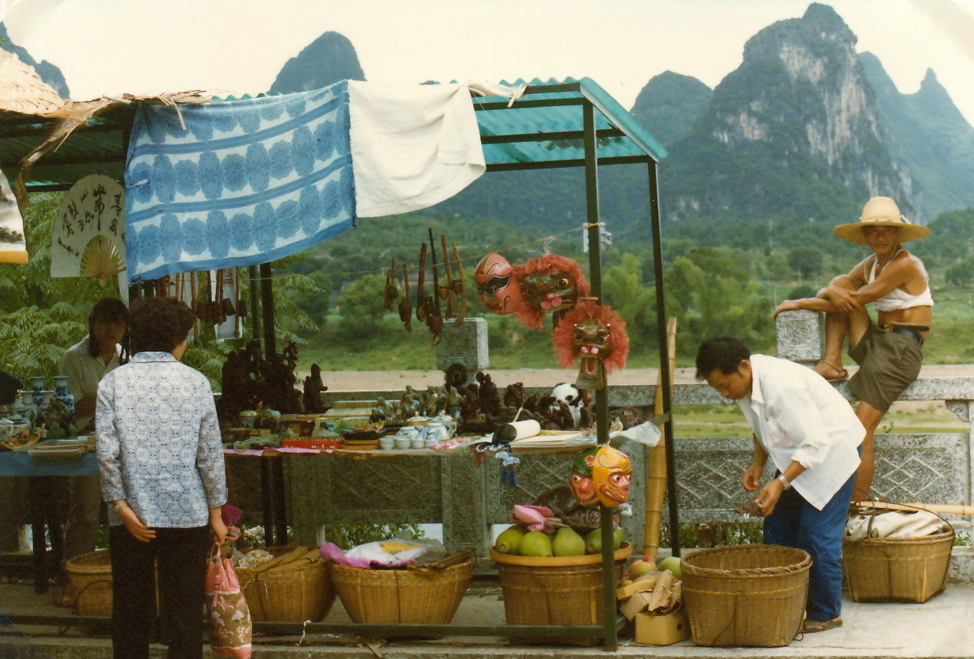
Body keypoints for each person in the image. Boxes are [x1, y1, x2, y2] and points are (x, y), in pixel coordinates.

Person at [696, 335, 864, 633]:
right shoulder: (745, 383)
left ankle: (826, 613)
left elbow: (816, 442)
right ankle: (784, 602)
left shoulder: (782, 386)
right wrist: (758, 464)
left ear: (743, 367)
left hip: (834, 449)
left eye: (725, 385)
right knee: (778, 529)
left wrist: (781, 482)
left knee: (816, 534)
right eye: (717, 389)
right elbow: (759, 426)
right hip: (798, 454)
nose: (724, 394)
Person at [773, 196, 931, 501]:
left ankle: (856, 506)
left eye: (887, 230)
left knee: (860, 434)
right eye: (873, 230)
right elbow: (840, 293)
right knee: (842, 280)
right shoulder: (872, 264)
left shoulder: (904, 264)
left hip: (899, 350)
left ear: (898, 234)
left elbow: (855, 302)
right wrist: (832, 290)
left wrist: (800, 302)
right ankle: (831, 361)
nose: (881, 236)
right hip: (877, 340)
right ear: (865, 236)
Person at [96, 296, 228, 659]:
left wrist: (120, 508)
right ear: (176, 340)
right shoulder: (196, 383)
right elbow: (209, 456)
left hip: (131, 517)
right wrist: (217, 514)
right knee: (185, 615)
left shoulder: (112, 384)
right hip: (187, 513)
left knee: (130, 612)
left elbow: (107, 455)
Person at [58, 297, 129, 562]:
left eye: (117, 323)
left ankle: (120, 574)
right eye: (104, 322)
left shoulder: (127, 356)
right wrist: (112, 400)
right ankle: (74, 577)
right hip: (86, 444)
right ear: (93, 324)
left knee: (124, 512)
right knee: (85, 513)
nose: (110, 329)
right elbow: (71, 407)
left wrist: (98, 401)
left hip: (123, 445)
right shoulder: (73, 357)